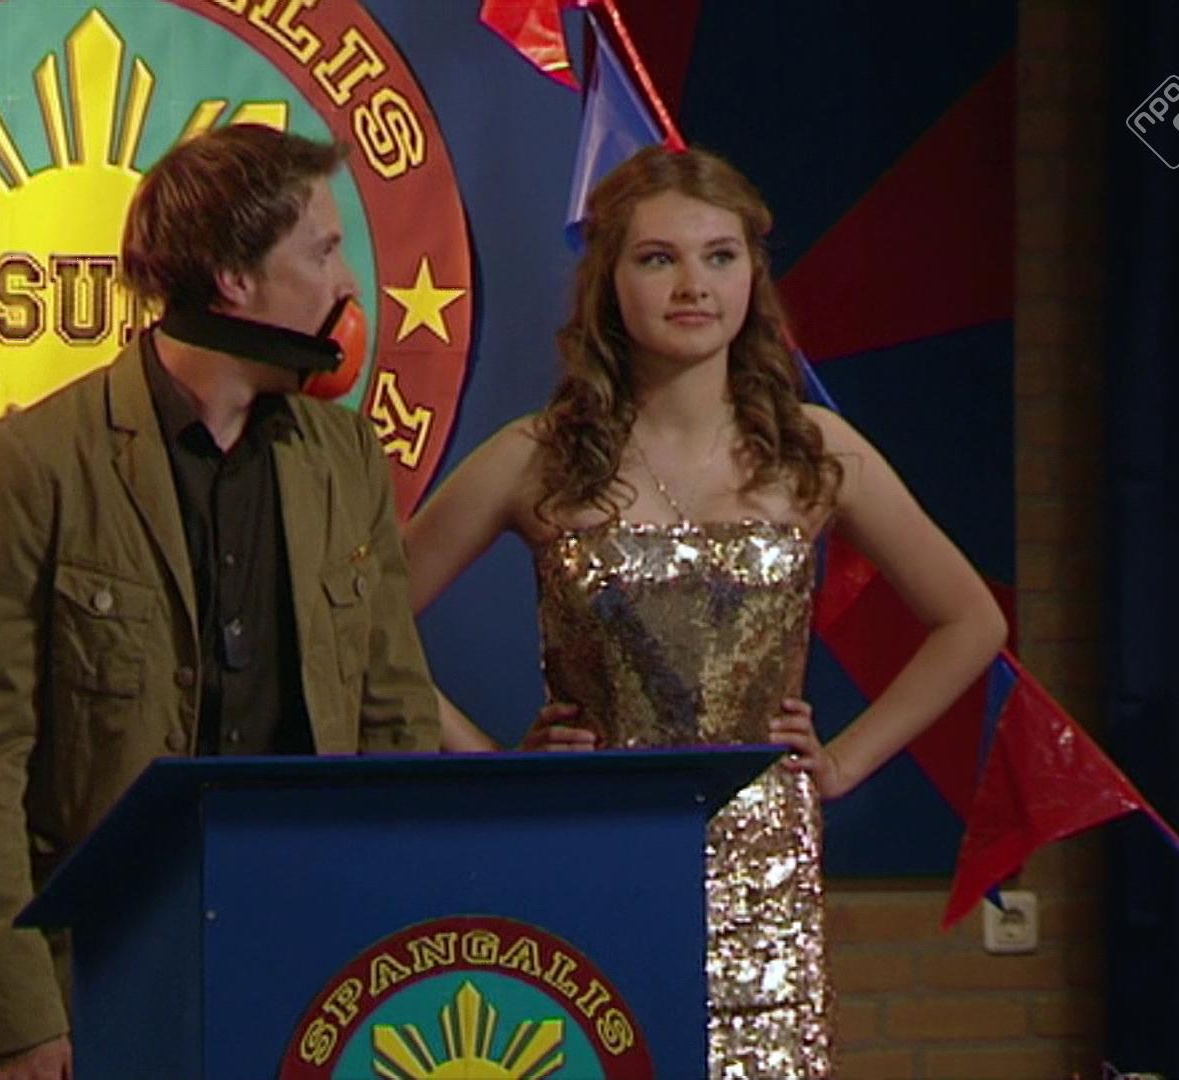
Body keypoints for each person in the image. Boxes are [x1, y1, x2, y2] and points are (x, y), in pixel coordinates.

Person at [402, 146, 1007, 1078]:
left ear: (752, 276)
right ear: (609, 282)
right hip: (587, 855)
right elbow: (363, 624)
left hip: (760, 879)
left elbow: (973, 622)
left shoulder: (814, 452)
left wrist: (843, 762)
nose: (693, 285)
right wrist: (494, 770)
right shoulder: (538, 456)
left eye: (719, 257)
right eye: (659, 259)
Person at [0, 125, 442, 1079]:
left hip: (316, 963)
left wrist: (398, 958)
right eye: (323, 251)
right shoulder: (31, 465)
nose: (346, 283)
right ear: (234, 281)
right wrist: (21, 1015)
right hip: (112, 969)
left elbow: (393, 718)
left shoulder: (346, 458)